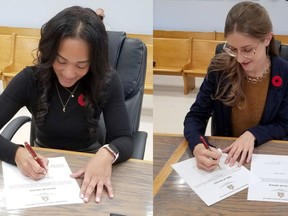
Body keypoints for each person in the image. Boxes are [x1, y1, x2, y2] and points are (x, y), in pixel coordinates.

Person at [0, 6, 133, 203]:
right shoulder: (30, 79)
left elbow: (125, 139)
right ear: (49, 51)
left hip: (89, 164)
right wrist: (16, 153)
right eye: (61, 61)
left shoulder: (107, 80)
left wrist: (107, 154)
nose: (69, 73)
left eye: (81, 65)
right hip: (41, 169)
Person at [184, 1, 288, 171]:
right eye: (233, 48)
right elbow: (196, 116)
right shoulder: (219, 70)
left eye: (248, 49)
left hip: (263, 158)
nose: (239, 58)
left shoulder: (284, 73)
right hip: (225, 161)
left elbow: (284, 124)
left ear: (267, 39)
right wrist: (197, 145)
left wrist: (254, 134)